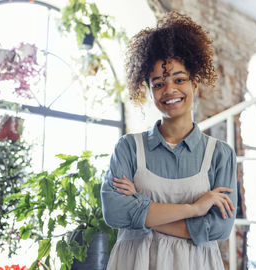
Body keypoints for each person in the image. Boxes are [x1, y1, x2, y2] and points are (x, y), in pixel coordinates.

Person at [101, 11, 237, 270]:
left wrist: (141, 206)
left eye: (179, 79)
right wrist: (195, 209)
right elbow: (116, 213)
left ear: (195, 83)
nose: (170, 90)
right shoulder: (129, 148)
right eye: (158, 83)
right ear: (150, 90)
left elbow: (218, 228)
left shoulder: (220, 154)